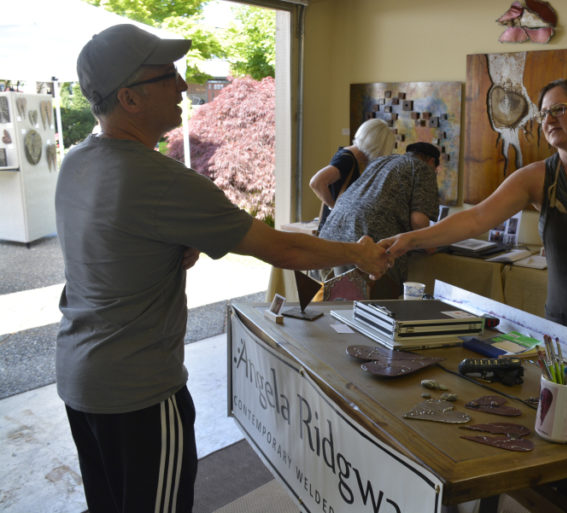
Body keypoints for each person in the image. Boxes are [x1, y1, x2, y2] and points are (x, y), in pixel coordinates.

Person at [55, 24, 388, 513]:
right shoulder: (161, 180)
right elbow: (284, 251)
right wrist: (359, 254)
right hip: (140, 394)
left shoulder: (76, 163)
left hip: (80, 383)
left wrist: (174, 247)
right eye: (167, 75)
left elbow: (112, 245)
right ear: (128, 98)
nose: (182, 86)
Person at [381, 79, 567, 360]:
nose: (549, 119)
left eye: (559, 109)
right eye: (544, 113)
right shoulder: (537, 177)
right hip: (566, 327)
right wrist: (409, 240)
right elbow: (476, 218)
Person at [319, 142, 441, 298]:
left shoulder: (380, 161)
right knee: (371, 313)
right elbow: (418, 221)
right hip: (369, 240)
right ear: (431, 161)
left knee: (330, 308)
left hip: (331, 234)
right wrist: (430, 246)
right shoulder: (423, 169)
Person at [309, 118, 395, 230]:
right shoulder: (347, 160)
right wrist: (335, 209)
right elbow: (316, 182)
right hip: (334, 229)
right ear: (376, 146)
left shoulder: (348, 156)